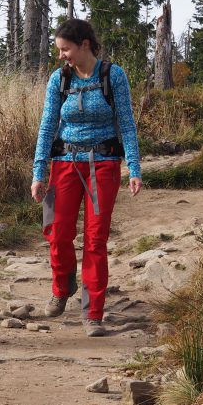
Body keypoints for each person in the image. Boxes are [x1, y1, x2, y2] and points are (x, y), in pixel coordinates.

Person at [30, 18, 142, 337]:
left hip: (103, 165)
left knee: (95, 240)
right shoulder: (59, 79)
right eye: (59, 50)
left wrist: (133, 168)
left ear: (85, 45)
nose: (61, 55)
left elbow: (127, 124)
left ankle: (93, 311)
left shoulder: (113, 75)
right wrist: (39, 173)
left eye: (65, 49)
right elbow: (47, 126)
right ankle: (62, 286)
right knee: (56, 231)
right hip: (63, 163)